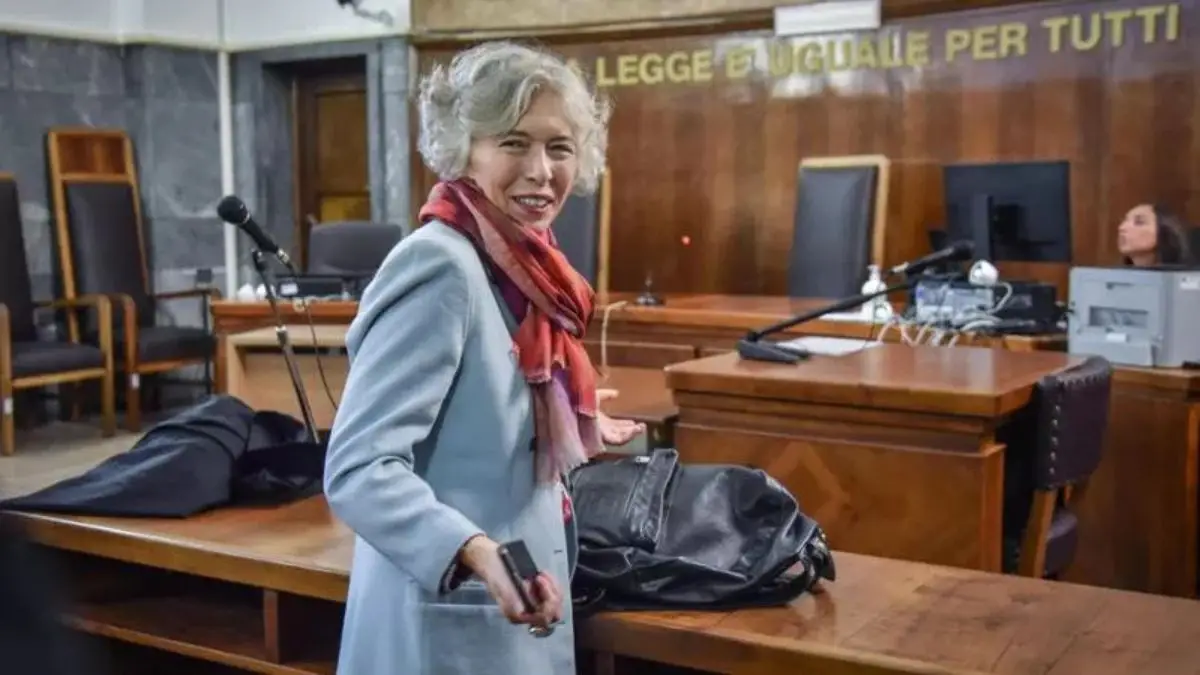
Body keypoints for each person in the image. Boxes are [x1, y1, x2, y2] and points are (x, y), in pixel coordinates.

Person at [323, 41, 645, 675]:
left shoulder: (525, 265)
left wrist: (555, 412)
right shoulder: (440, 264)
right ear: (463, 148)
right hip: (445, 625)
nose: (541, 170)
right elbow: (358, 469)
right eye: (513, 142)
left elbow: (480, 401)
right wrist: (473, 551)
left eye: (559, 147)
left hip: (511, 611)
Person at [1118, 203, 1195, 266]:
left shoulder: (1188, 277)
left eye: (1139, 222)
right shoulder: (1116, 276)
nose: (1122, 227)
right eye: (1124, 221)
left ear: (1164, 231)